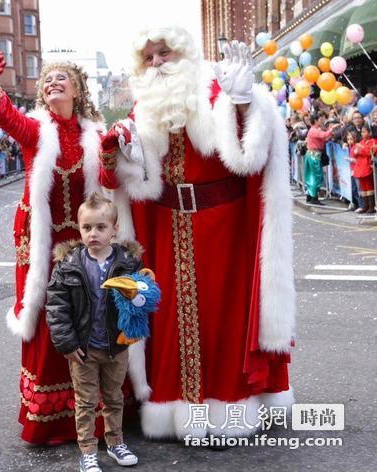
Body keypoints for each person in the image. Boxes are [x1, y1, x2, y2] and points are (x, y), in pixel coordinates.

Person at [99, 26, 295, 442]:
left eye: (163, 53)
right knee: (169, 319)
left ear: (183, 54)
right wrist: (122, 155)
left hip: (223, 230)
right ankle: (178, 410)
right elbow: (128, 181)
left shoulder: (214, 93)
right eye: (148, 58)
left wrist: (243, 103)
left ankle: (227, 409)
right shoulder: (144, 110)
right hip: (167, 233)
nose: (156, 64)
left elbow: (248, 156)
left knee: (223, 320)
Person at [0, 54, 107, 445]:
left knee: (90, 319)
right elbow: (6, 115)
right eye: (47, 81)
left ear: (78, 89)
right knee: (50, 322)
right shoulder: (37, 131)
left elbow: (114, 177)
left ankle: (96, 411)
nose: (52, 84)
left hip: (86, 241)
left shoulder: (94, 136)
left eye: (61, 78)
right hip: (42, 242)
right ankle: (52, 420)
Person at [46, 194, 140, 472]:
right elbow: (56, 306)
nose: (93, 234)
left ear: (114, 228)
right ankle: (87, 451)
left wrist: (135, 318)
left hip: (116, 346)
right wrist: (67, 343)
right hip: (82, 349)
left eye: (100, 227)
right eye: (87, 228)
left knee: (114, 398)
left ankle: (115, 443)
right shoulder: (69, 264)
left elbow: (142, 298)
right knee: (86, 401)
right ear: (79, 229)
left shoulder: (127, 263)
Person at [305, 112, 336, 205]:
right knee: (316, 176)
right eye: (320, 119)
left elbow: (324, 138)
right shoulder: (314, 130)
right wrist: (331, 129)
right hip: (314, 155)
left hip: (312, 155)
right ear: (315, 120)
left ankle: (310, 196)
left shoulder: (315, 130)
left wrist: (330, 132)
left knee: (311, 176)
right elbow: (324, 135)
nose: (322, 120)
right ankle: (314, 197)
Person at [352, 125, 376, 214]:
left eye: (364, 132)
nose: (362, 134)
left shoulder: (373, 141)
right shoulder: (361, 142)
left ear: (369, 133)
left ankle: (371, 206)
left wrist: (360, 150)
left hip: (367, 166)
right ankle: (365, 206)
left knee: (369, 186)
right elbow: (355, 152)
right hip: (360, 166)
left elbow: (370, 152)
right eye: (362, 132)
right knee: (363, 187)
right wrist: (356, 151)